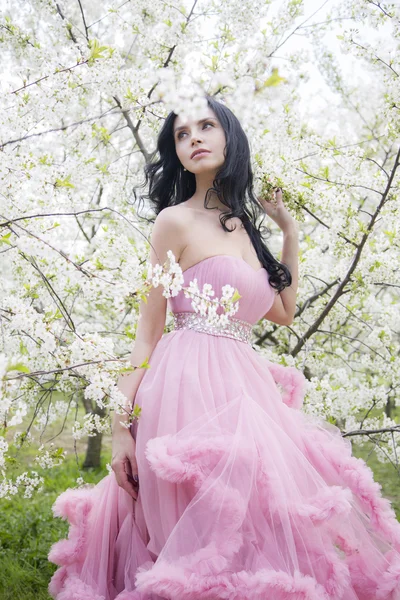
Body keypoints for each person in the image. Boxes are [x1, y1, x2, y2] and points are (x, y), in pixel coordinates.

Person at [48, 95, 400, 600]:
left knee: (254, 517)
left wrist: (289, 231)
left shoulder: (244, 228)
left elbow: (281, 311)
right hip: (184, 383)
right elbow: (148, 331)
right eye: (181, 134)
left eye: (206, 126)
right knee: (196, 521)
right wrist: (119, 428)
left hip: (244, 386)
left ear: (229, 136)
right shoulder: (173, 221)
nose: (193, 138)